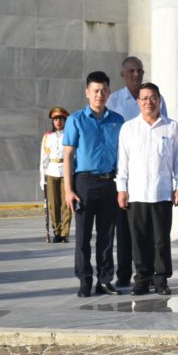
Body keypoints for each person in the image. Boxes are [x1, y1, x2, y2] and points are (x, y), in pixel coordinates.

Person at [116, 82, 178, 296]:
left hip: (162, 192)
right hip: (136, 193)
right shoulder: (129, 128)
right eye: (144, 98)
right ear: (138, 102)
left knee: (161, 240)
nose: (149, 102)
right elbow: (122, 162)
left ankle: (161, 279)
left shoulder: (172, 127)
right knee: (139, 240)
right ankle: (142, 279)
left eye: (153, 97)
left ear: (159, 100)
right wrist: (121, 189)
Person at [106, 56, 168, 287]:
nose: (136, 74)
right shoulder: (114, 100)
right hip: (123, 173)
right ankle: (124, 274)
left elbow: (163, 125)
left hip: (152, 176)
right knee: (125, 230)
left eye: (139, 70)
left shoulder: (155, 98)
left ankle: (150, 274)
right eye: (131, 71)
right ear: (123, 74)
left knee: (151, 231)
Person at [63, 71, 124, 297]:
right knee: (83, 237)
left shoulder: (117, 120)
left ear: (109, 92)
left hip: (110, 182)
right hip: (84, 183)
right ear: (87, 93)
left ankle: (105, 280)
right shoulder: (75, 120)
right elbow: (68, 156)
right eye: (96, 90)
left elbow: (124, 155)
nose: (100, 94)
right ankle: (84, 280)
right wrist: (68, 190)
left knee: (107, 236)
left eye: (104, 90)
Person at [39, 106, 72, 243]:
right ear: (52, 121)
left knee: (66, 204)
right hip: (52, 171)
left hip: (66, 171)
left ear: (65, 120)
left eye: (61, 119)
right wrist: (42, 178)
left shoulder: (69, 134)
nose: (58, 122)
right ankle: (57, 231)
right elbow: (43, 159)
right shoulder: (47, 137)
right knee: (53, 204)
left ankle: (65, 233)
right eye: (55, 119)